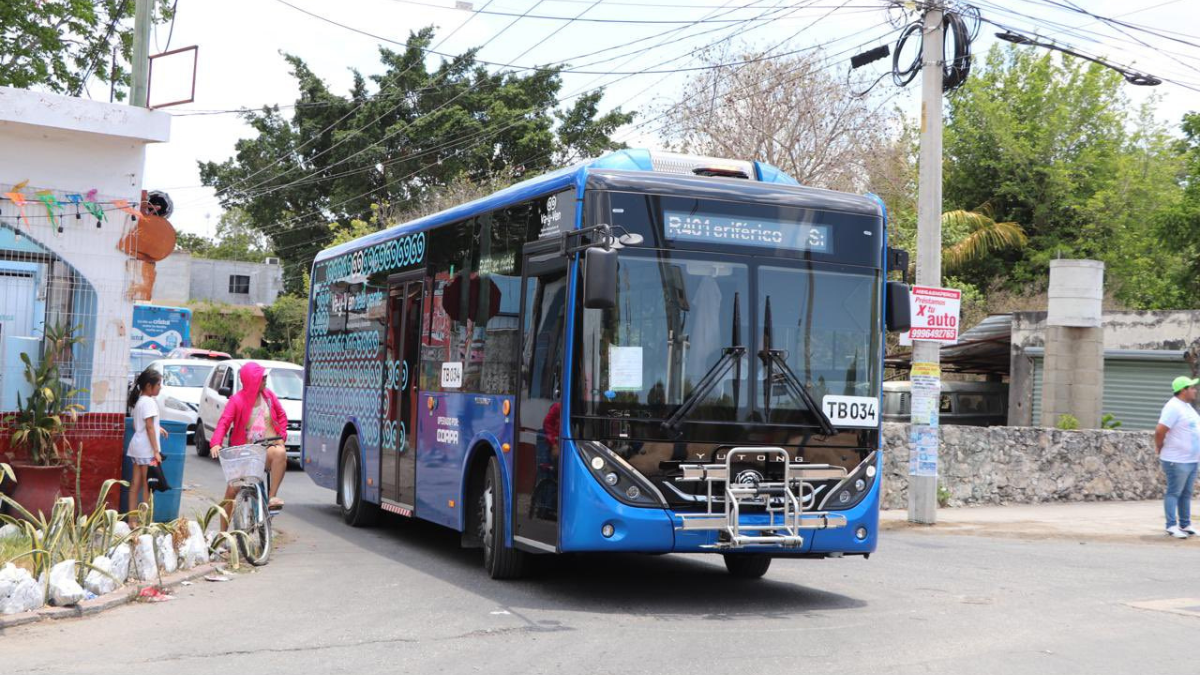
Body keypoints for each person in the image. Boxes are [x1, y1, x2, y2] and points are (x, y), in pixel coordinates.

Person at [209, 362, 289, 514]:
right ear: (253, 380)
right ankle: (224, 533)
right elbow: (224, 422)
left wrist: (282, 436)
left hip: (266, 448)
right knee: (231, 493)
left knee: (280, 453)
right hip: (244, 453)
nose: (265, 381)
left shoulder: (269, 396)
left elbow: (281, 415)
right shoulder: (236, 400)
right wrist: (216, 443)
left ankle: (271, 498)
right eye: (262, 378)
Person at [1154, 375, 1200, 538]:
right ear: (1183, 390)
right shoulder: (1173, 407)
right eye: (1192, 388)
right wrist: (1159, 446)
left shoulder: (1187, 406)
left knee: (1186, 493)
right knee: (1174, 492)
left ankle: (1185, 524)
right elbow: (1160, 430)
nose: (1195, 390)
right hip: (1176, 460)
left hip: (1191, 460)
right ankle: (1171, 525)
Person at [127, 369, 168, 523]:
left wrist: (159, 428)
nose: (160, 387)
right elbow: (149, 427)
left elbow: (147, 425)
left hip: (137, 447)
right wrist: (156, 452)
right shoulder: (150, 402)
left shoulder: (141, 401)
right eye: (159, 384)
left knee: (135, 483)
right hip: (146, 450)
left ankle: (132, 520)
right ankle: (144, 521)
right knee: (147, 485)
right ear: (149, 386)